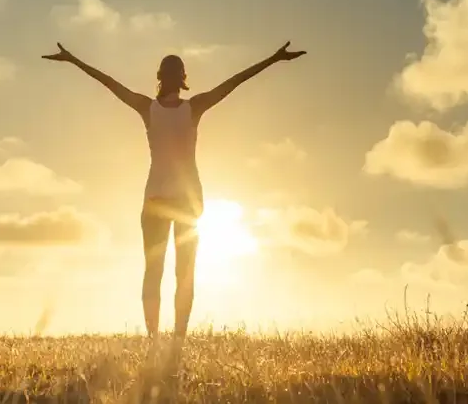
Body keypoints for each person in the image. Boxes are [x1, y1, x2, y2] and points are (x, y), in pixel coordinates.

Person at [41, 41, 306, 348]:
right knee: (183, 273)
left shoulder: (149, 108)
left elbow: (110, 83)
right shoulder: (191, 108)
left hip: (159, 201)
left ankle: (156, 340)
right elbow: (233, 82)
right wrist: (272, 59)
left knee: (155, 272)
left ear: (161, 77)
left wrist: (74, 60)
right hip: (184, 202)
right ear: (181, 77)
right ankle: (177, 339)